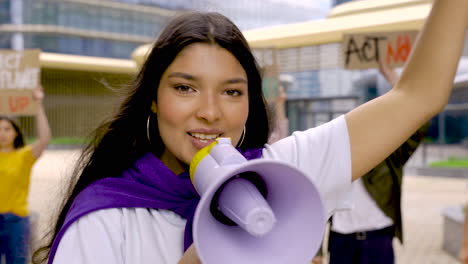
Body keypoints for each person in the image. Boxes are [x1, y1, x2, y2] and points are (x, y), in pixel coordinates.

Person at [32, 1, 468, 263]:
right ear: (152, 98)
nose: (209, 112)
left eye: (231, 92)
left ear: (249, 103)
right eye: (185, 88)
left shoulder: (279, 177)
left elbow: (418, 95)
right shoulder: (105, 219)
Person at [326, 62, 429, 264]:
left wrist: (392, 76)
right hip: (341, 242)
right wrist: (316, 251)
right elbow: (315, 204)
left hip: (377, 240)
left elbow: (418, 119)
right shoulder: (330, 159)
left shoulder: (386, 154)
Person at [0, 86, 51, 264]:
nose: (2, 134)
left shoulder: (24, 156)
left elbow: (44, 139)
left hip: (17, 222)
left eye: (7, 129)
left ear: (15, 133)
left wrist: (38, 106)